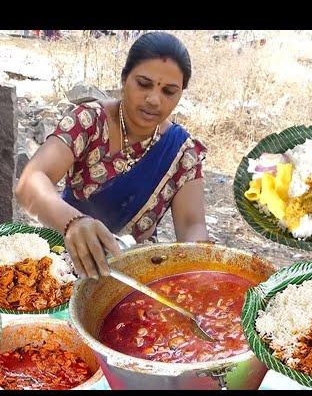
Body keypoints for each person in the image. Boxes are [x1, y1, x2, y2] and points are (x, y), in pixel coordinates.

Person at [16, 32, 208, 280]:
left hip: (133, 277)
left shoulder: (183, 152)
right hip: (66, 265)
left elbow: (192, 225)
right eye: (143, 84)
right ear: (124, 78)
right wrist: (73, 221)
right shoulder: (88, 122)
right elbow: (30, 182)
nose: (153, 100)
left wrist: (198, 266)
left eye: (169, 91)